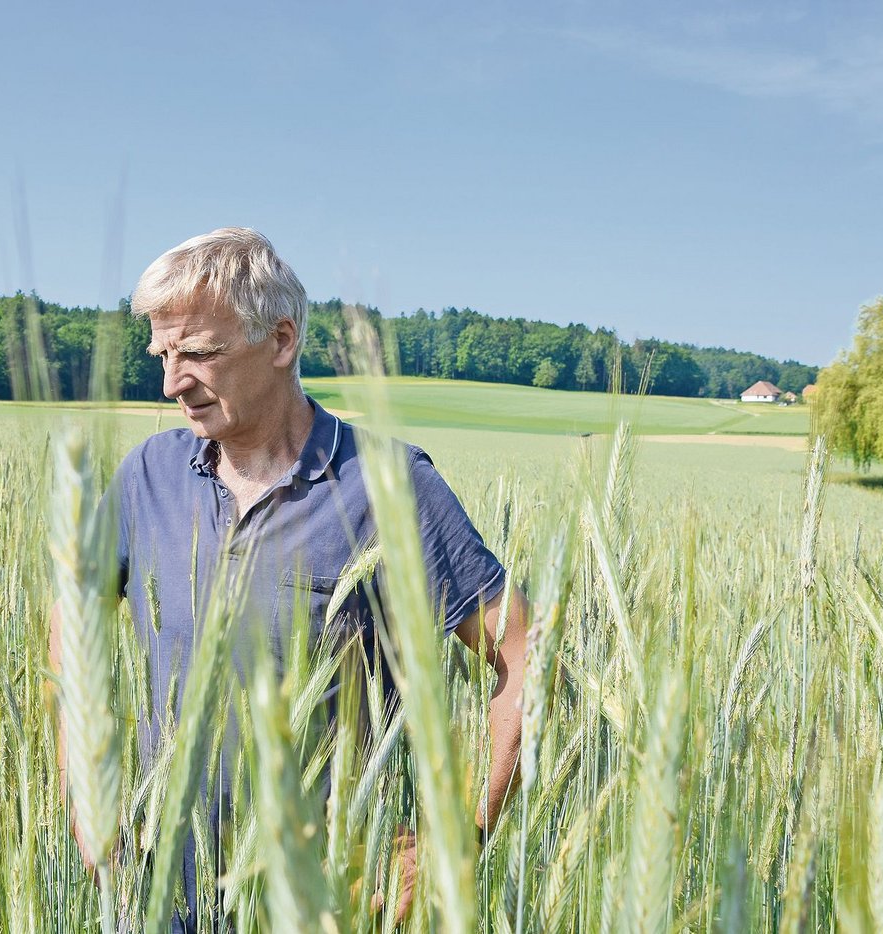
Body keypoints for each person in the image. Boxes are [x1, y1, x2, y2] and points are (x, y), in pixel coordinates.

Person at [52, 227, 530, 928]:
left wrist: (455, 839)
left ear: (281, 341)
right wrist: (85, 793)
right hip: (156, 896)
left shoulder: (391, 487)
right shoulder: (147, 475)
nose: (172, 382)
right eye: (163, 354)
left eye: (200, 353)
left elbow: (529, 654)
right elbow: (74, 618)